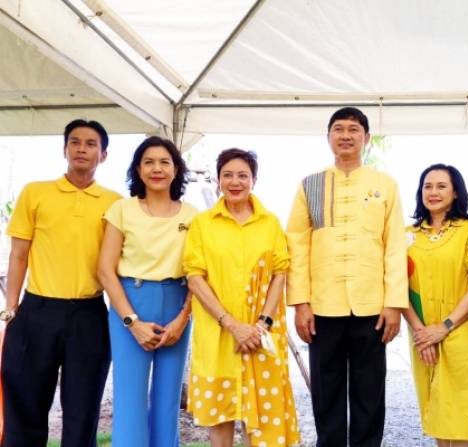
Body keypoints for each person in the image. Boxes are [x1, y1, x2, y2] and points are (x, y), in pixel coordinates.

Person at [286, 107, 408, 447]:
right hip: (322, 306)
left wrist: (394, 304)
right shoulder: (310, 185)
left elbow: (395, 246)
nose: (345, 135)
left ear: (367, 138)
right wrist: (300, 303)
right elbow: (297, 246)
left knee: (370, 391)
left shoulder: (385, 185)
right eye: (338, 129)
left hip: (372, 306)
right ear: (328, 137)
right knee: (326, 392)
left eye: (353, 129)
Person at [0, 120, 121, 447]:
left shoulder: (115, 203)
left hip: (89, 315)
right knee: (25, 402)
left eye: (91, 144)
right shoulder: (35, 192)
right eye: (75, 142)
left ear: (103, 155)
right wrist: (10, 310)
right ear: (64, 149)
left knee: (83, 409)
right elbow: (19, 255)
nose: (82, 149)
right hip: (37, 309)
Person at [183, 148, 299, 447]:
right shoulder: (203, 223)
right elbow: (195, 277)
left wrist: (261, 325)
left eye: (243, 175)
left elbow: (280, 273)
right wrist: (233, 325)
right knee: (220, 419)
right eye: (228, 175)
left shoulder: (270, 223)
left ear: (254, 180)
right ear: (218, 180)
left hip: (261, 336)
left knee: (262, 425)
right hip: (219, 336)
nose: (235, 182)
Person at [97, 136, 197, 447]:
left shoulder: (192, 216)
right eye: (149, 162)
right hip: (130, 303)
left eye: (165, 162)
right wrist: (132, 322)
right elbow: (105, 271)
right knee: (130, 401)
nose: (157, 168)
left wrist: (183, 318)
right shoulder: (122, 209)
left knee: (168, 401)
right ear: (138, 169)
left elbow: (199, 274)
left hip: (177, 306)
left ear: (176, 169)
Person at [404, 164, 468, 446]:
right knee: (435, 407)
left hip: (460, 328)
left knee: (459, 415)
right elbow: (397, 287)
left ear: (455, 192)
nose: (433, 192)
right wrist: (421, 332)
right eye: (427, 186)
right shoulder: (407, 235)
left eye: (441, 186)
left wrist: (445, 326)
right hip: (421, 331)